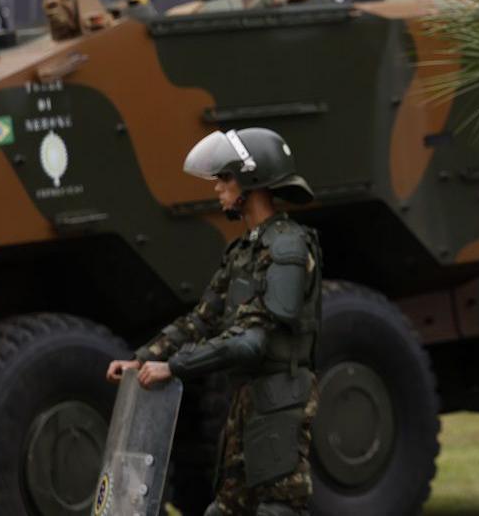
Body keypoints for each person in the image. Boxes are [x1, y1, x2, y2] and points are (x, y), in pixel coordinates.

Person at [106, 127, 322, 516]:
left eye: (226, 177)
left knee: (278, 509)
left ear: (253, 181)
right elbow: (200, 320)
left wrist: (173, 367)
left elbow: (250, 341)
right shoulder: (243, 250)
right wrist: (142, 358)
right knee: (225, 509)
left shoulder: (287, 247)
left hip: (280, 401)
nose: (218, 188)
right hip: (246, 400)